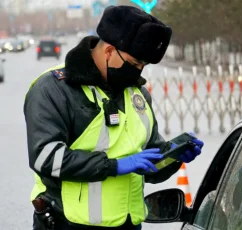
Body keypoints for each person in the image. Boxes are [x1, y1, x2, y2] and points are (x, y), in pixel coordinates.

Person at [24, 5, 204, 230]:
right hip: (67, 223)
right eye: (134, 64)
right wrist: (114, 166)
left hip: (128, 224)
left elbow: (148, 163)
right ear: (109, 51)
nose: (138, 72)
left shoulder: (137, 94)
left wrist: (174, 156)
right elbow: (44, 157)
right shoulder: (55, 89)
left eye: (143, 66)